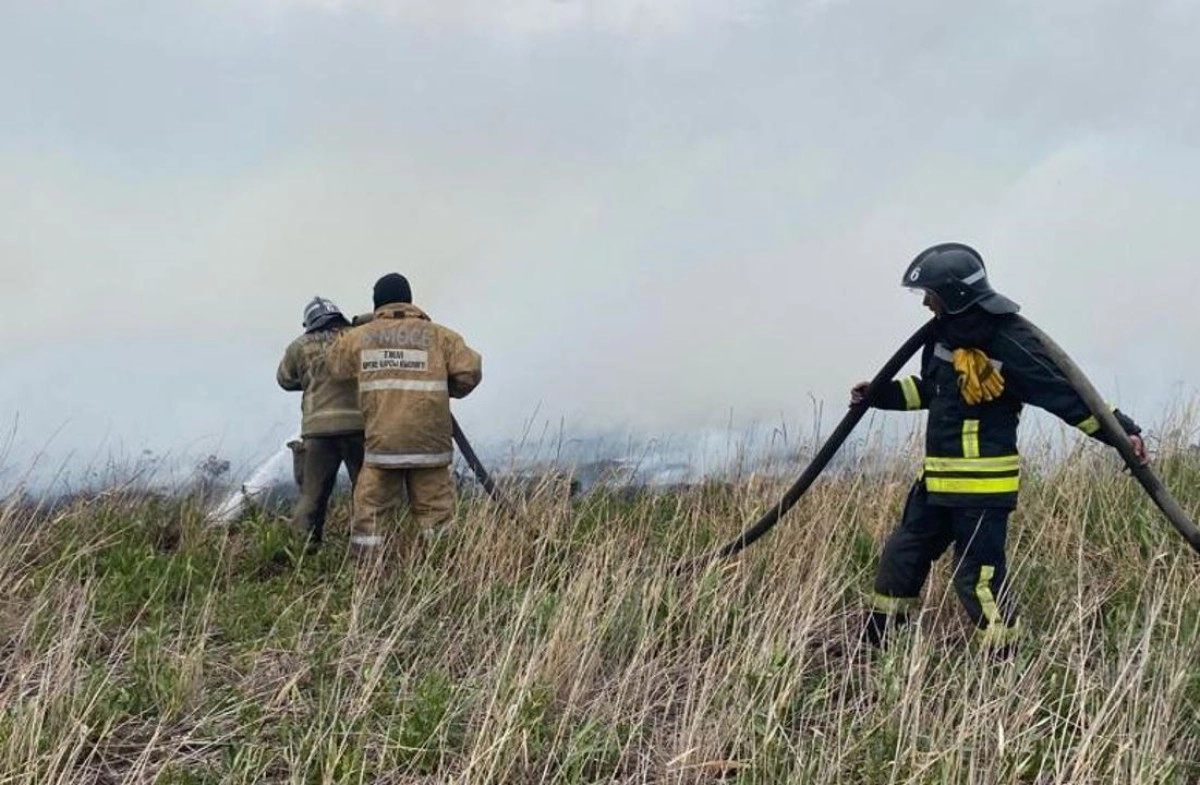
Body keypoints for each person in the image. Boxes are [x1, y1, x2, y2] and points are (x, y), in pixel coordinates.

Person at [852, 243, 1147, 653]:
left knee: (978, 579)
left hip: (981, 491)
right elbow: (932, 392)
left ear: (953, 295)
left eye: (930, 295)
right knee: (903, 555)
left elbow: (1066, 394)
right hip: (936, 484)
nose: (925, 304)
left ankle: (1005, 659)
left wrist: (1121, 433)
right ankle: (877, 642)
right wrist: (879, 395)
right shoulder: (941, 336)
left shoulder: (1011, 340)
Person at [328, 273, 482, 554]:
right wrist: (444, 392)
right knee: (437, 515)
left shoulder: (359, 337)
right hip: (430, 446)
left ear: (377, 303)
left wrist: (360, 328)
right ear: (409, 300)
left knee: (371, 514)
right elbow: (469, 371)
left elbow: (335, 366)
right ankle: (443, 565)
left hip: (383, 446)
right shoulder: (441, 336)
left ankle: (369, 569)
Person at [276, 297, 365, 552]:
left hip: (317, 431)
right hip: (358, 426)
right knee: (366, 490)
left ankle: (303, 549)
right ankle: (366, 547)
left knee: (311, 494)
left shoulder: (299, 346)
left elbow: (284, 380)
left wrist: (310, 379)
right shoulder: (357, 337)